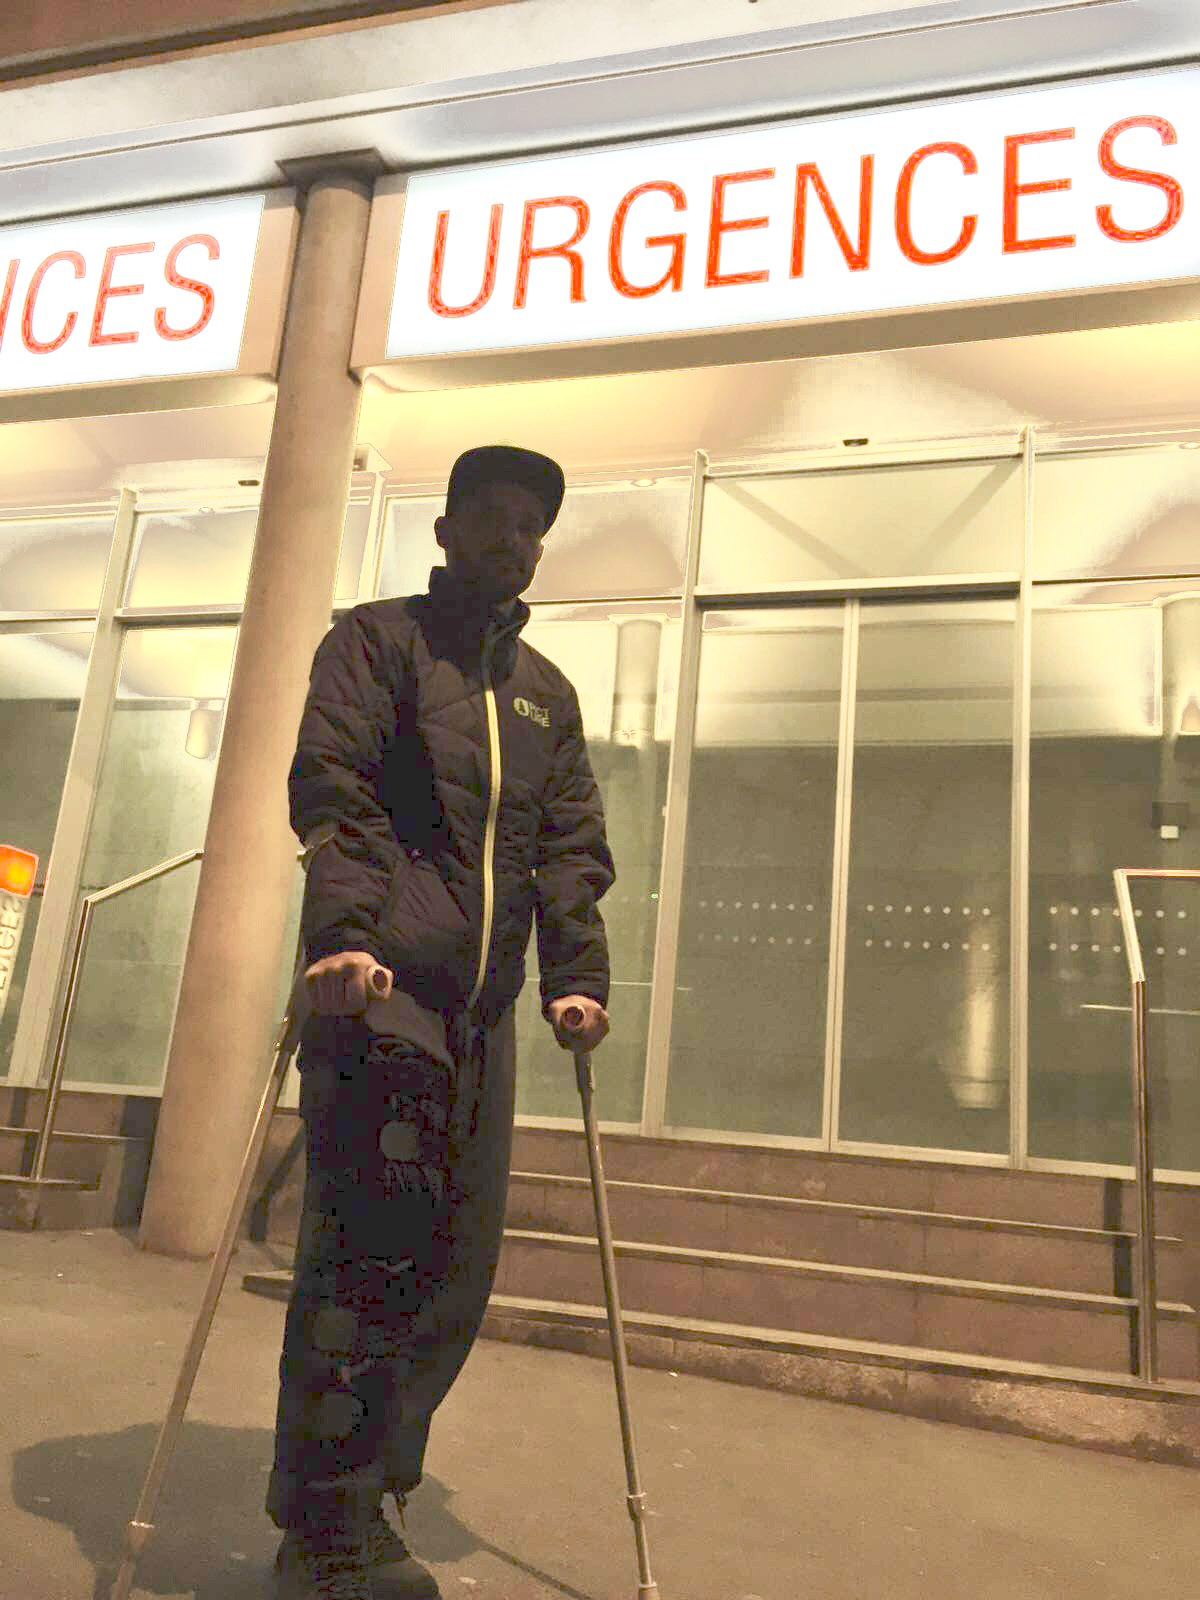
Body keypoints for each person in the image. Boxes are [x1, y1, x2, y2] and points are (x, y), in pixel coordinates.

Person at [266, 444, 616, 1600]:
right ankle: (328, 1523)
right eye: (495, 517)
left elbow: (568, 848)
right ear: (447, 530)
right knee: (371, 1249)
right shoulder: (377, 643)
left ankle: (377, 1487)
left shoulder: (545, 694)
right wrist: (341, 934)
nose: (515, 541)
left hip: (484, 1013)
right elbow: (338, 791)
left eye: (532, 527)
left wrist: (576, 974)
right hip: (382, 991)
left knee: (456, 1266)